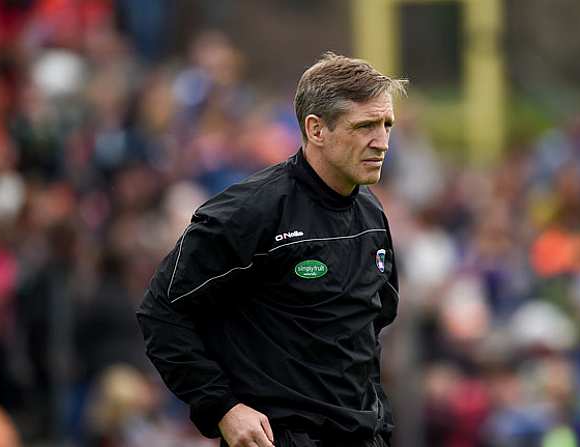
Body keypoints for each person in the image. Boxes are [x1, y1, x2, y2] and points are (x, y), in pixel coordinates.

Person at [137, 52, 407, 447]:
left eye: (386, 125)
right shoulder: (250, 211)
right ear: (316, 129)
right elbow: (161, 311)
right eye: (365, 126)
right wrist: (223, 408)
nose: (382, 142)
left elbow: (373, 324)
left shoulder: (371, 213)